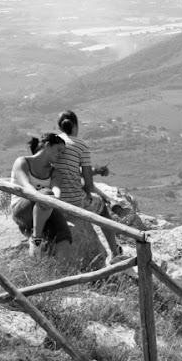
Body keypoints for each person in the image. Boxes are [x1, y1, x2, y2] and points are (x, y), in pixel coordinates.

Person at [52, 110, 122, 265]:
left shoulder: (52, 143)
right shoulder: (81, 146)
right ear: (76, 126)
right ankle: (115, 252)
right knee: (101, 206)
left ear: (59, 126)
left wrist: (96, 171)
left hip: (53, 201)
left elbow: (68, 171)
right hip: (73, 203)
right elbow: (89, 186)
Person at [10, 133, 72, 261]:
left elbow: (56, 189)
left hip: (45, 209)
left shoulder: (55, 172)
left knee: (64, 234)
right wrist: (42, 196)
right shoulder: (22, 162)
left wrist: (55, 197)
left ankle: (63, 274)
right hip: (22, 211)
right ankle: (36, 240)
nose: (60, 155)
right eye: (59, 150)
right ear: (48, 145)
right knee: (46, 194)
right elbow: (26, 185)